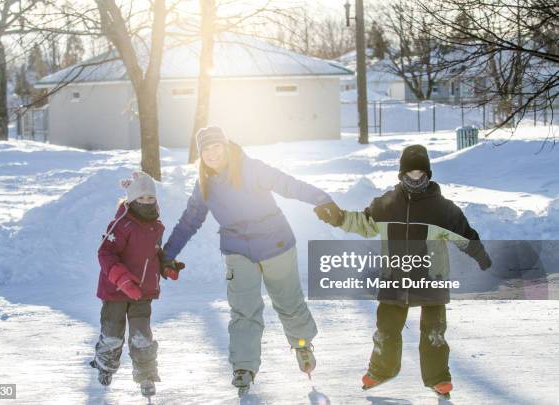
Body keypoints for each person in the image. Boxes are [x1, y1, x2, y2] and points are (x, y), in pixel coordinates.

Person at [162, 126, 341, 395]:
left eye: (216, 146)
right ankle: (243, 367)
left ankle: (302, 344)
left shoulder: (251, 168)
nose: (212, 153)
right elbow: (189, 222)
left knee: (288, 303)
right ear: (201, 155)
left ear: (225, 145)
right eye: (206, 150)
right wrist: (167, 255)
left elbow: (288, 184)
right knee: (243, 310)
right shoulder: (205, 185)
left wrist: (321, 199)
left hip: (275, 242)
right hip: (237, 250)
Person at [318, 144, 492, 398]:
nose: (415, 179)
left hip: (431, 279)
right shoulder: (387, 204)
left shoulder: (443, 209)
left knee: (434, 332)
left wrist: (480, 255)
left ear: (428, 175)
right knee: (386, 329)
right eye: (410, 174)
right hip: (394, 278)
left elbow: (465, 235)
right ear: (401, 174)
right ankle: (381, 370)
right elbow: (363, 223)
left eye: (420, 174)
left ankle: (438, 378)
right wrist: (338, 217)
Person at [90, 171, 184, 399]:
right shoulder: (122, 224)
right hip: (115, 292)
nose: (146, 203)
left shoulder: (156, 226)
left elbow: (152, 254)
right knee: (112, 334)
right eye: (141, 199)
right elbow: (105, 253)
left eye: (150, 198)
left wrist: (165, 266)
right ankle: (105, 364)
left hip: (143, 292)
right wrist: (122, 280)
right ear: (131, 200)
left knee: (142, 336)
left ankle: (146, 375)